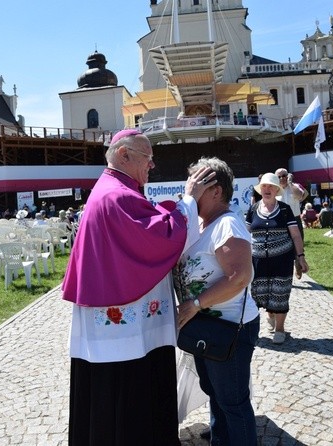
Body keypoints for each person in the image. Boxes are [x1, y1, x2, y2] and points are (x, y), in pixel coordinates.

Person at [62, 128, 215, 446]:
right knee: (132, 391)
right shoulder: (117, 195)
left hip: (115, 322)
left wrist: (169, 210)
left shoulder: (113, 191)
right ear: (123, 154)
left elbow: (149, 224)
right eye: (148, 157)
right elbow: (158, 238)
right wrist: (189, 199)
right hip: (125, 329)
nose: (152, 165)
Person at [174, 157, 260, 445]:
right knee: (215, 391)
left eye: (197, 185)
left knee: (233, 401)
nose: (191, 190)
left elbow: (240, 277)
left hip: (229, 327)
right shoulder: (204, 224)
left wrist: (196, 304)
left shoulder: (228, 225)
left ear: (216, 191)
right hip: (209, 326)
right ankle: (221, 437)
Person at [247, 173, 309, 345]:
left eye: (271, 187)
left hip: (282, 260)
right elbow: (245, 234)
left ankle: (280, 329)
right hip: (258, 262)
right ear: (261, 190)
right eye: (264, 186)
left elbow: (296, 236)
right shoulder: (253, 210)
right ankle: (268, 316)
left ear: (276, 190)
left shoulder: (284, 209)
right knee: (259, 293)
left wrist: (301, 257)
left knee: (280, 293)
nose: (267, 189)